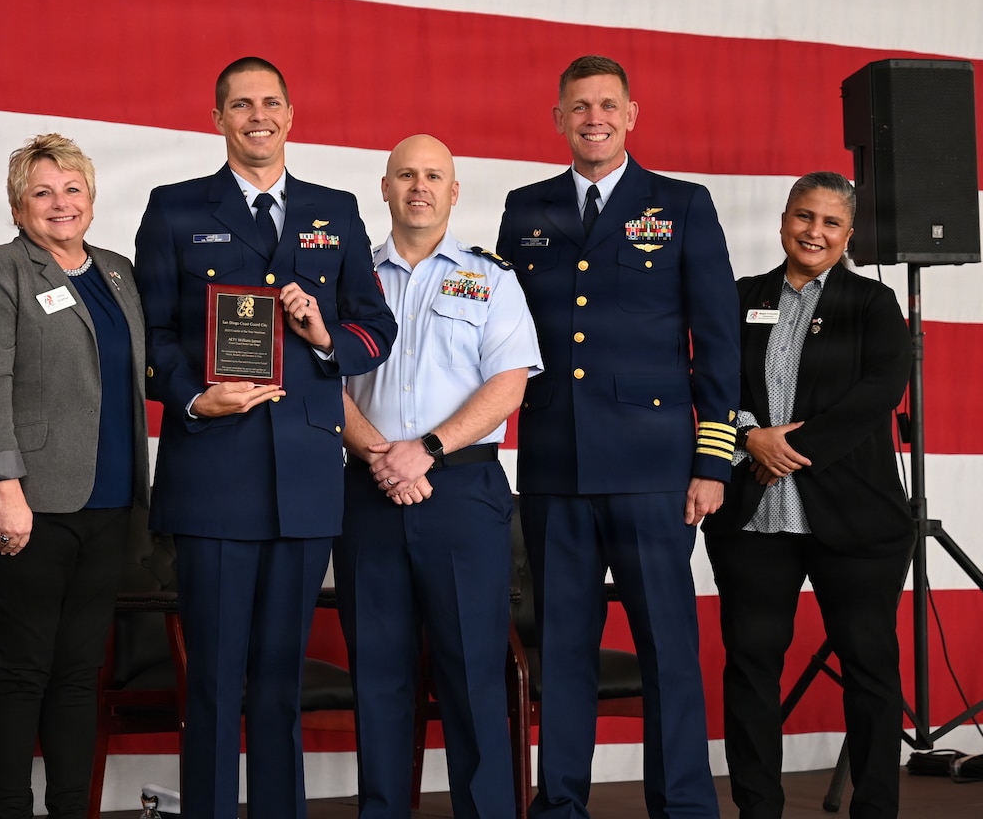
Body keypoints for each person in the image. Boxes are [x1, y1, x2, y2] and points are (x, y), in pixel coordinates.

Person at [134, 56, 397, 818]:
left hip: (306, 478)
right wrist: (191, 397)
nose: (258, 115)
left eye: (270, 102)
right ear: (216, 118)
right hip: (213, 473)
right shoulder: (175, 209)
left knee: (281, 680)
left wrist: (322, 335)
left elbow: (374, 329)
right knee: (215, 679)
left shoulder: (335, 210)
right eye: (240, 104)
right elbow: (147, 336)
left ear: (290, 113)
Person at [495, 55, 739, 819]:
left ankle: (684, 806)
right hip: (554, 465)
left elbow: (718, 340)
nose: (593, 117)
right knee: (562, 648)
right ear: (557, 118)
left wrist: (714, 462)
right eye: (578, 106)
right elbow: (504, 333)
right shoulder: (523, 207)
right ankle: (560, 803)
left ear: (631, 113)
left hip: (652, 467)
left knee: (666, 645)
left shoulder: (682, 204)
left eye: (606, 104)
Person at [336, 134, 541, 818]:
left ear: (454, 193)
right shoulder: (349, 278)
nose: (418, 187)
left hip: (461, 492)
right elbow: (322, 382)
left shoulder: (492, 279)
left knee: (471, 674)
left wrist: (422, 448)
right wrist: (379, 456)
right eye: (405, 175)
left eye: (433, 177)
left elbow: (507, 386)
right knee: (378, 674)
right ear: (385, 187)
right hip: (368, 491)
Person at [0, 133, 151, 818]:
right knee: (21, 671)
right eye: (41, 191)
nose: (58, 203)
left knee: (76, 676)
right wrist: (5, 491)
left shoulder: (119, 273)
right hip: (26, 506)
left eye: (71, 189)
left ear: (91, 200)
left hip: (107, 506)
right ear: (17, 205)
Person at [704, 172, 911, 819]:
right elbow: (708, 379)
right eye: (803, 216)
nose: (812, 232)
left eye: (828, 222)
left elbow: (880, 390)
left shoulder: (871, 303)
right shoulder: (738, 298)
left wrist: (787, 450)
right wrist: (748, 438)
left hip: (854, 520)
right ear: (783, 220)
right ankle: (757, 808)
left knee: (870, 673)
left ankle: (874, 808)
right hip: (752, 520)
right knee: (750, 671)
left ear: (848, 235)